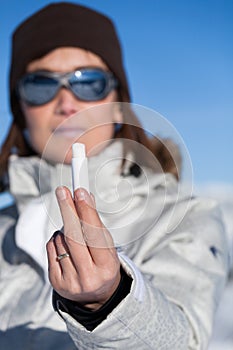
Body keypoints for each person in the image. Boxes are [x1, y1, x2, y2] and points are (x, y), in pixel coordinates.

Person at [0, 2, 229, 349]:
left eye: (89, 82)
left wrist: (108, 302)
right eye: (40, 84)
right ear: (20, 107)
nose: (66, 102)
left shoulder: (182, 218)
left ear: (118, 99)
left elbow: (183, 341)